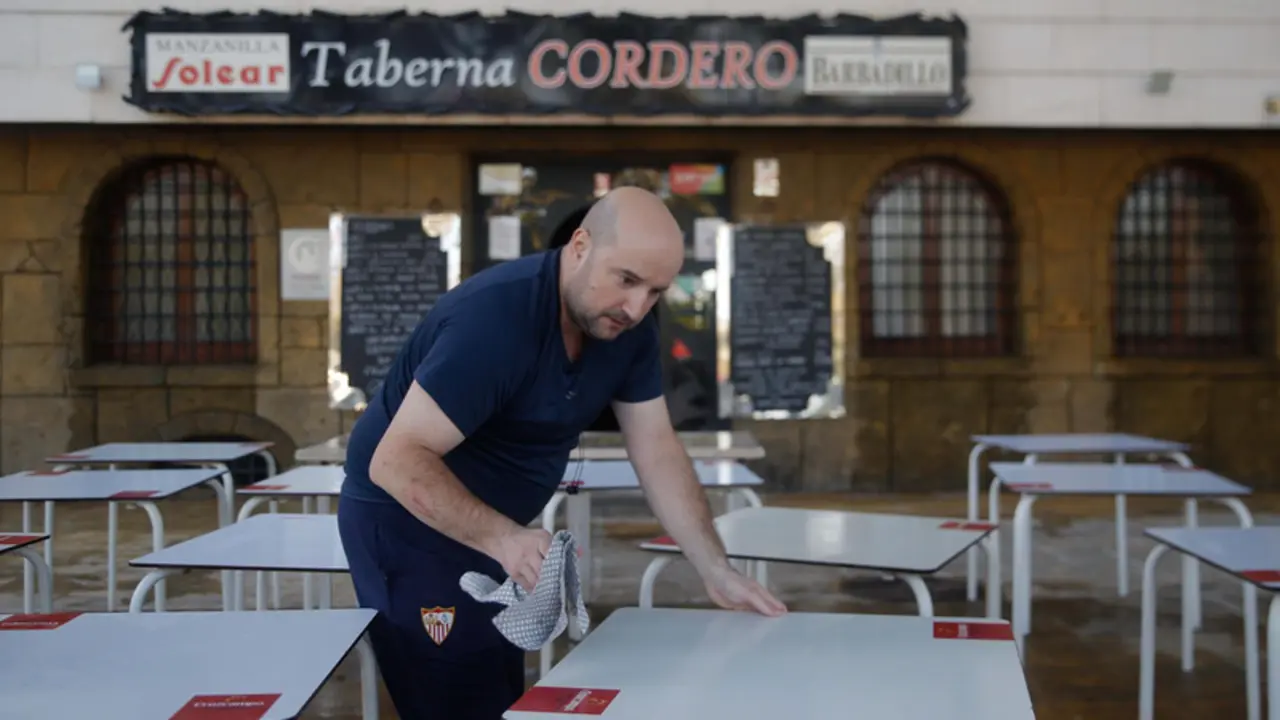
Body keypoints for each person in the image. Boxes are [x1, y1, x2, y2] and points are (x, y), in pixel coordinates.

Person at [337, 186, 787, 720]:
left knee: (504, 690)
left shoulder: (626, 329)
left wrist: (715, 568)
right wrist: (506, 539)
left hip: (500, 532)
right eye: (626, 280)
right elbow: (395, 461)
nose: (637, 308)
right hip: (407, 524)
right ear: (579, 246)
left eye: (655, 292)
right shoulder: (495, 320)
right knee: (455, 697)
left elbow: (658, 449)